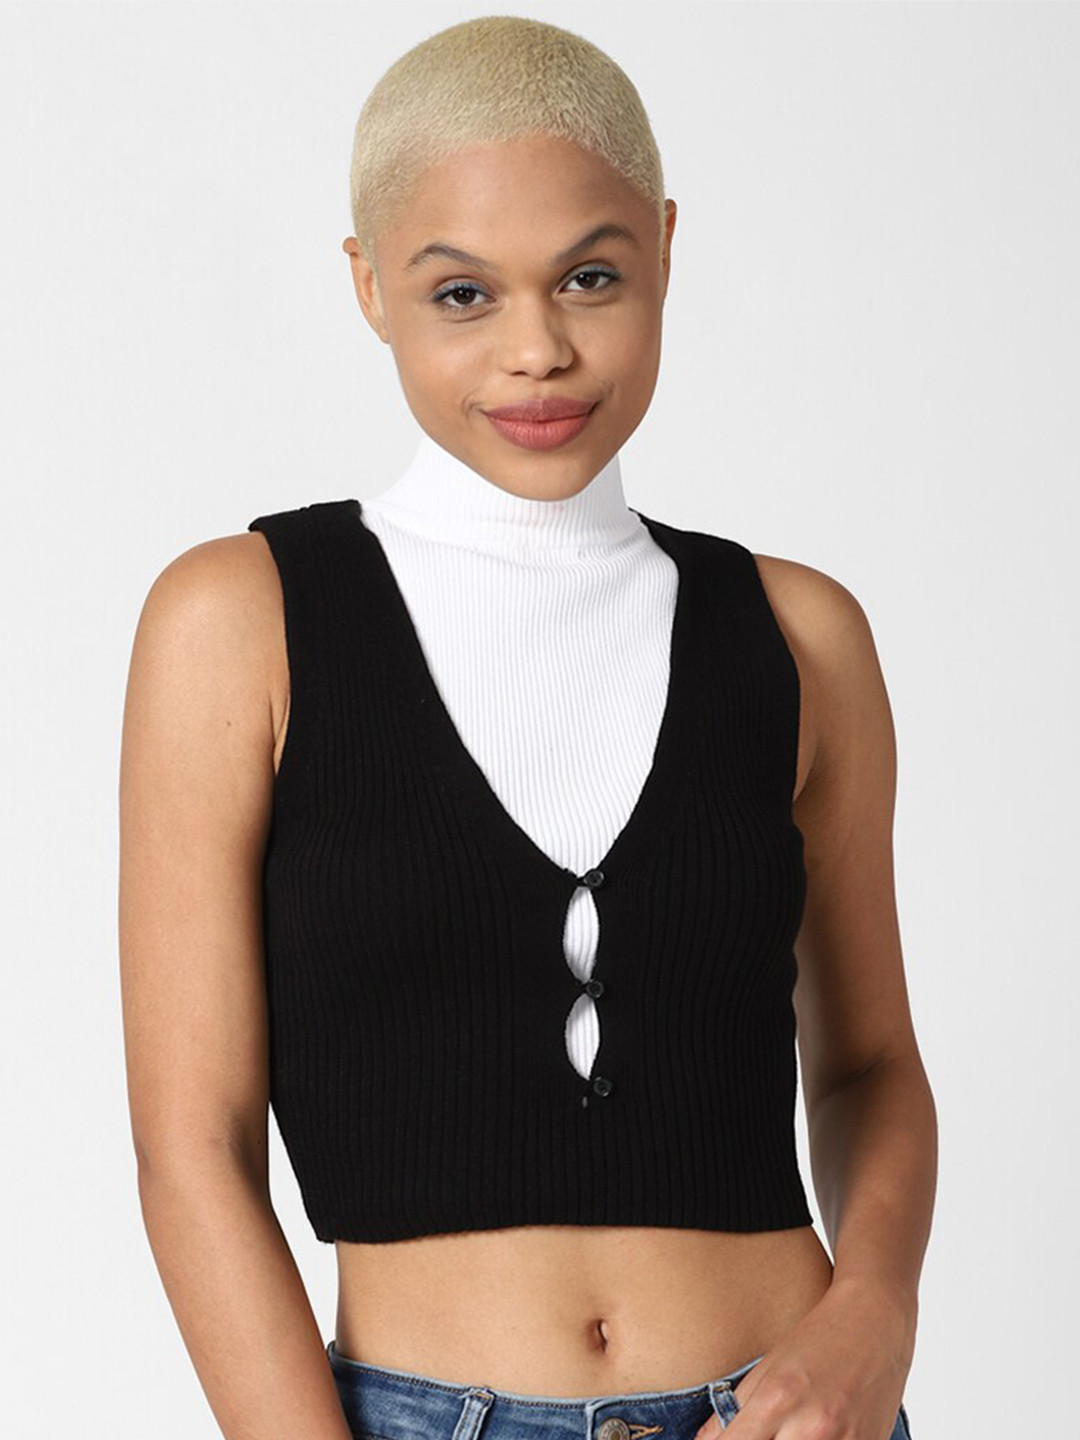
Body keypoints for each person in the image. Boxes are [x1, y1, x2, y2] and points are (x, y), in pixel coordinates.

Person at [118, 16, 937, 1440]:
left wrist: (874, 1320)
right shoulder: (241, 623)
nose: (539, 349)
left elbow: (869, 1064)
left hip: (787, 1411)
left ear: (665, 248)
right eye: (462, 294)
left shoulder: (801, 636)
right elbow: (193, 1147)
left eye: (590, 277)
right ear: (369, 286)